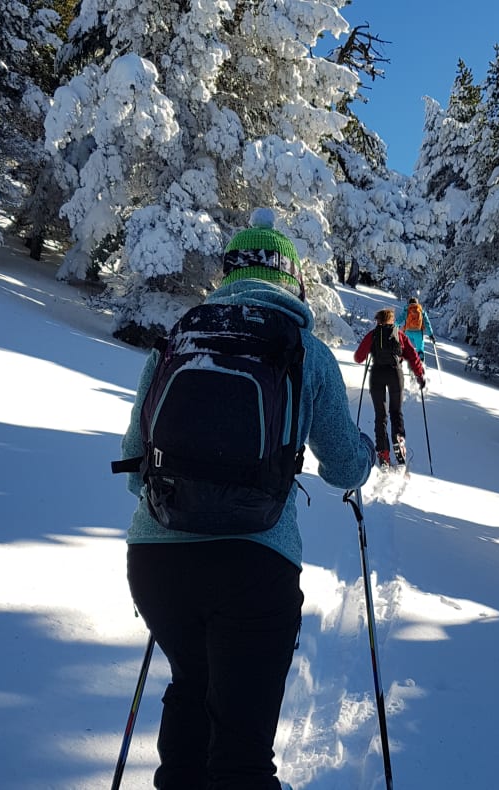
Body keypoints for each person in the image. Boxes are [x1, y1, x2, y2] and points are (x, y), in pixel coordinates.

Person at [121, 208, 375, 790]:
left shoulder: (180, 337)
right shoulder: (304, 349)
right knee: (241, 749)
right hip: (255, 564)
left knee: (191, 684)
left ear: (230, 272)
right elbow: (342, 465)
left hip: (157, 563)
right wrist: (363, 456)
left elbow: (137, 466)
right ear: (292, 279)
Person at [354, 307, 425, 469]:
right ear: (392, 320)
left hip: (377, 374)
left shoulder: (373, 335)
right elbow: (413, 356)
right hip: (395, 374)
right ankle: (399, 448)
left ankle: (383, 454)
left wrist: (371, 351)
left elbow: (359, 358)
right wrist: (420, 375)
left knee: (380, 416)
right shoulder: (399, 335)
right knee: (396, 412)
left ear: (378, 320)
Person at [396, 296, 435, 362]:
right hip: (419, 333)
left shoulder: (407, 311)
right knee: (420, 350)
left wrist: (394, 326)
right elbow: (427, 323)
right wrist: (430, 334)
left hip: (408, 332)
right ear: (417, 303)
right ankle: (420, 364)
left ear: (409, 303)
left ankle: (401, 361)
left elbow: (399, 320)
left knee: (406, 347)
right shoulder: (421, 312)